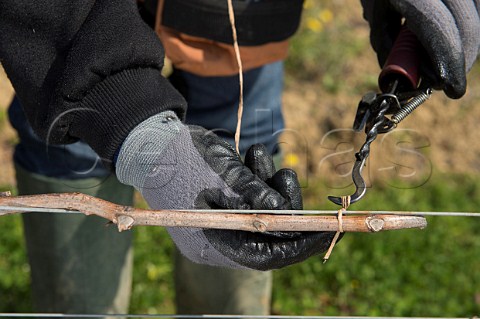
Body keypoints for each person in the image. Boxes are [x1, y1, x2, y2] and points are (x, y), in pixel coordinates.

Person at [0, 0, 478, 316]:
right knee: (74, 142)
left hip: (241, 26)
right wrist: (125, 116)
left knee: (240, 165)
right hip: (67, 18)